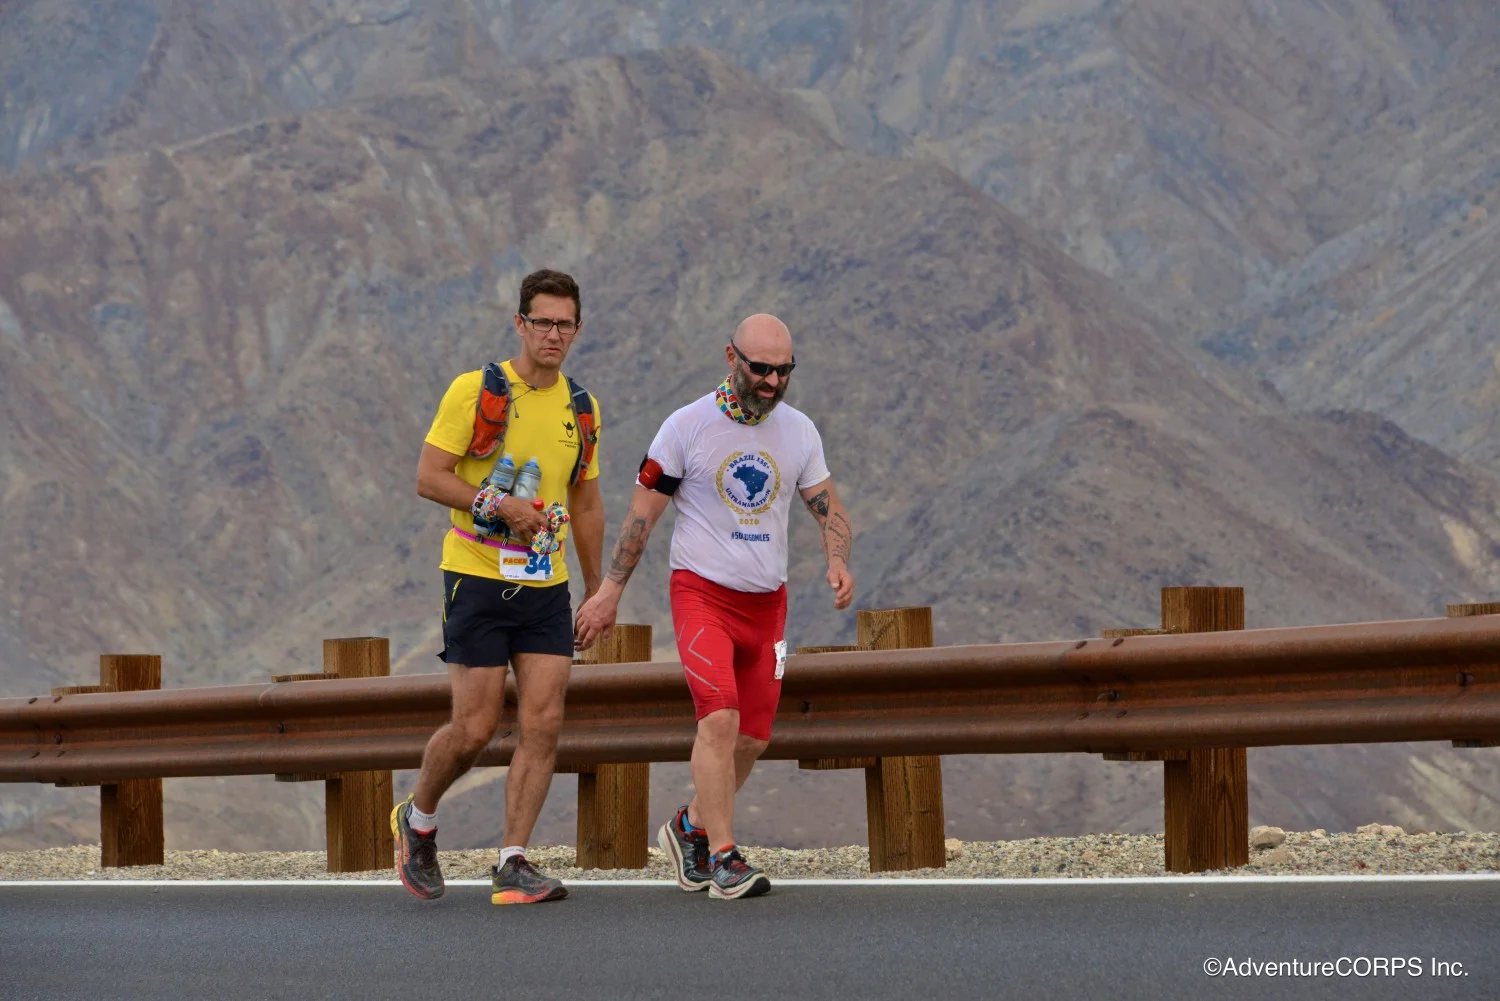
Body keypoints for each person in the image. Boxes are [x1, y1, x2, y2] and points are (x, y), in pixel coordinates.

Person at [574, 313, 854, 900]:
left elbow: (827, 504)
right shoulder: (686, 427)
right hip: (702, 595)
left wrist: (837, 559)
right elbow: (642, 517)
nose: (773, 382)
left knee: (753, 738)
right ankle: (725, 856)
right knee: (719, 719)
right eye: (762, 369)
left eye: (784, 371)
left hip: (767, 605)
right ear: (732, 358)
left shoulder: (800, 431)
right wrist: (609, 592)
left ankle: (689, 826)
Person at [392, 269, 605, 905]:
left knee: (544, 722)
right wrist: (499, 504)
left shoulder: (582, 408)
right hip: (477, 574)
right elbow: (430, 476)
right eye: (542, 322)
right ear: (520, 323)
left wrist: (598, 588)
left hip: (545, 584)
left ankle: (513, 860)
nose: (553, 334)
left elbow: (586, 502)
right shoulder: (477, 391)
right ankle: (418, 819)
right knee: (475, 727)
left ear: (578, 329)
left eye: (564, 324)